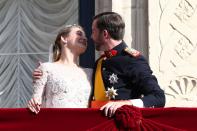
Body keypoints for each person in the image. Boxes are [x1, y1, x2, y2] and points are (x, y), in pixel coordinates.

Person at [33, 12, 165, 117]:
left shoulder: (132, 60)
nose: (90, 37)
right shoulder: (99, 63)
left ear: (105, 34)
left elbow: (158, 97)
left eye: (93, 31)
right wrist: (45, 74)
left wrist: (126, 103)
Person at [28, 25, 92, 114]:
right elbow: (36, 101)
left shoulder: (90, 73)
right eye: (79, 34)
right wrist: (34, 101)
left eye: (85, 36)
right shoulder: (47, 68)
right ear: (64, 39)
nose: (85, 38)